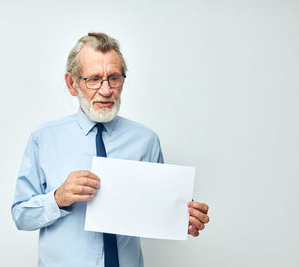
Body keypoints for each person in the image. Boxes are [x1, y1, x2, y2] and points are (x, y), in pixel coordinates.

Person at [11, 32, 210, 267]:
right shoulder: (43, 139)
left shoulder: (146, 141)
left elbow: (156, 210)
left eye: (113, 78)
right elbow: (20, 215)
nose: (106, 91)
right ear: (72, 83)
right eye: (94, 79)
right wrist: (58, 198)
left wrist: (183, 217)